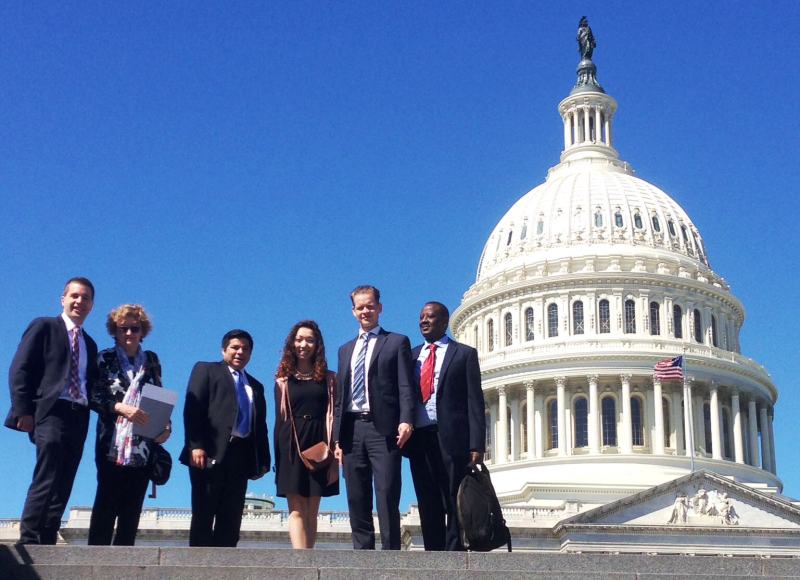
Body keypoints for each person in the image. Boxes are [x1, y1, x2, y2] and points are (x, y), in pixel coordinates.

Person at [5, 278, 98, 545]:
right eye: (75, 296)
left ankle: (48, 537)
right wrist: (23, 410)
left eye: (86, 298)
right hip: (51, 411)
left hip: (79, 414)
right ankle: (30, 538)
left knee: (66, 478)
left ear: (92, 306)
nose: (79, 302)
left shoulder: (89, 344)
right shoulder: (45, 326)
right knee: (47, 473)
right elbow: (20, 369)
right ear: (64, 299)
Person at [332, 285, 415, 550]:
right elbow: (340, 397)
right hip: (351, 430)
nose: (365, 311)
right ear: (353, 312)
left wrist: (406, 419)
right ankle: (363, 557)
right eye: (360, 307)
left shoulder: (396, 342)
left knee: (387, 494)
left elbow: (405, 385)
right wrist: (336, 439)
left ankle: (391, 555)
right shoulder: (345, 350)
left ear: (379, 308)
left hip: (384, 430)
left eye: (370, 306)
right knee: (357, 497)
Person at [87, 304, 171, 545]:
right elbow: (93, 394)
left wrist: (166, 426)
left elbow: (159, 395)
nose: (129, 334)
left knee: (133, 507)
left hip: (143, 443)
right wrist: (119, 407)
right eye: (123, 328)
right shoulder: (104, 358)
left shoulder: (152, 360)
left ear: (142, 330)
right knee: (106, 502)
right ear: (114, 330)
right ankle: (97, 561)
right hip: (111, 441)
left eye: (135, 328)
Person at [405, 301, 486, 551]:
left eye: (430, 317)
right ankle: (433, 553)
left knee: (453, 498)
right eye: (421, 317)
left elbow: (475, 401)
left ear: (444, 321)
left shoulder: (464, 354)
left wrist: (476, 445)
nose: (424, 321)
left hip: (451, 437)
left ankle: (453, 554)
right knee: (427, 499)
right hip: (420, 438)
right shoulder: (411, 356)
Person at [180, 329, 271, 547]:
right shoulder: (207, 370)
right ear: (224, 350)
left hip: (241, 456)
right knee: (204, 512)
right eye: (235, 347)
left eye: (246, 349)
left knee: (231, 517)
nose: (240, 352)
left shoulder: (256, 386)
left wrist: (264, 462)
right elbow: (193, 408)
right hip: (209, 452)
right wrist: (195, 445)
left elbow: (261, 426)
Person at [274, 320, 339, 549]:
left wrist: (334, 460)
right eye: (299, 339)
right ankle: (300, 564)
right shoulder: (282, 380)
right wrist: (278, 458)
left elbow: (333, 415)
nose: (304, 344)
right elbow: (279, 419)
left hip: (320, 444)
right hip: (291, 443)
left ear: (317, 344)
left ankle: (310, 563)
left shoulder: (330, 378)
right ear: (292, 343)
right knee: (295, 509)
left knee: (312, 510)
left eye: (309, 340)